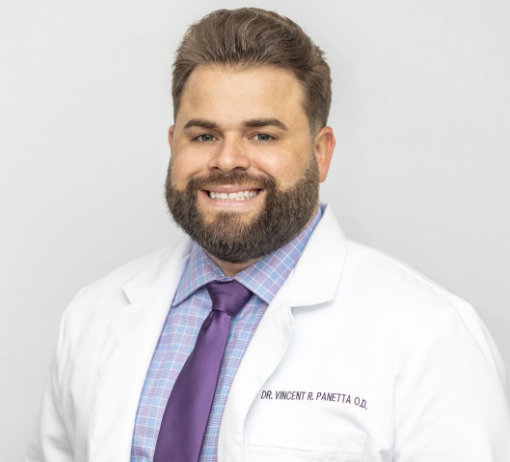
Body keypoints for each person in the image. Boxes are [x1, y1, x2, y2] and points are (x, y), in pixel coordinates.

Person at [27, 7, 510, 462]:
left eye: (262, 135)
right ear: (174, 144)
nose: (228, 160)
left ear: (321, 153)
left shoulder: (429, 334)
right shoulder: (94, 314)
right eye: (204, 136)